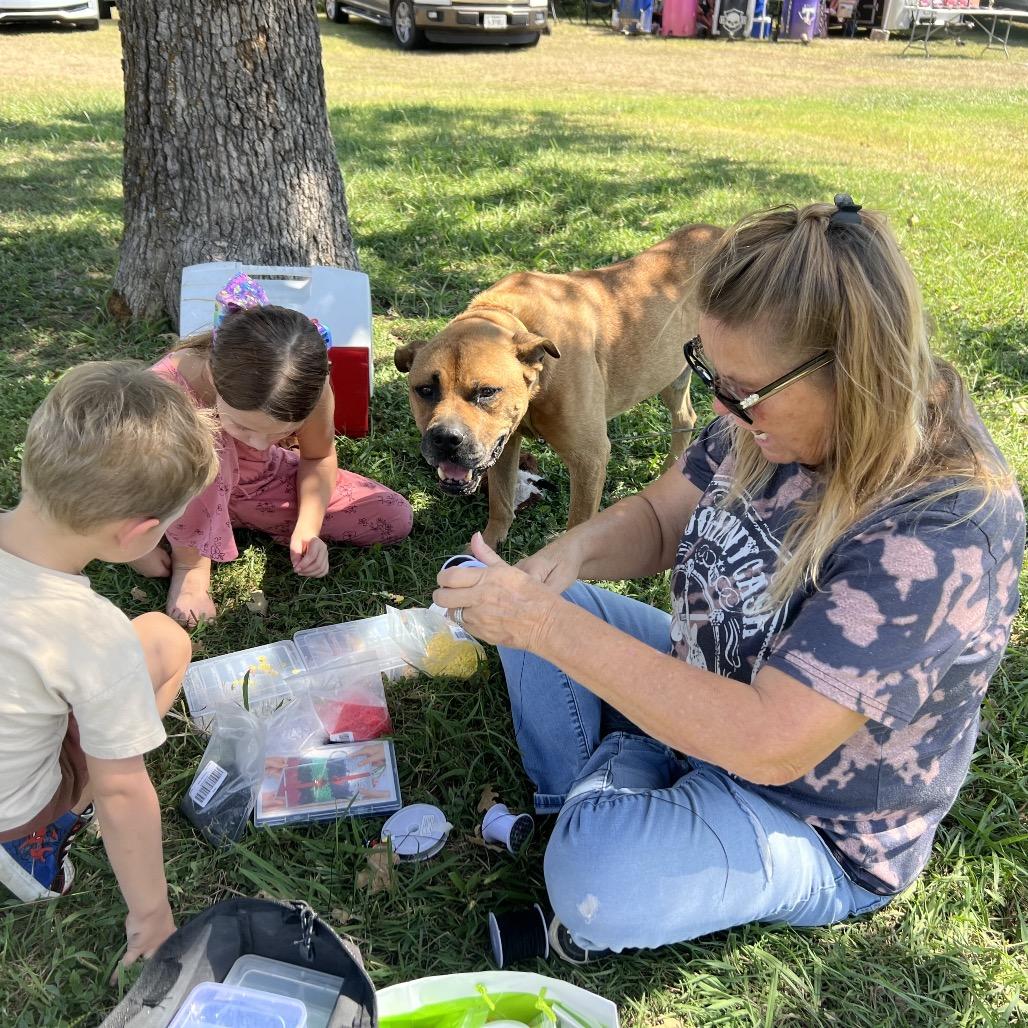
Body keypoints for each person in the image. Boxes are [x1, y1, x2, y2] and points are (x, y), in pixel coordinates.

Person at [433, 197, 1025, 963]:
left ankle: (605, 790)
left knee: (599, 881)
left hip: (809, 812)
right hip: (711, 684)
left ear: (854, 367)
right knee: (527, 592)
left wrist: (548, 627)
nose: (720, 406)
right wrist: (567, 558)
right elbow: (657, 518)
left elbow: (770, 745)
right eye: (708, 373)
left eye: (740, 390)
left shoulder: (941, 526)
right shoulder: (763, 411)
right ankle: (610, 793)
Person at [0, 362, 219, 970]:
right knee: (164, 641)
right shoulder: (92, 632)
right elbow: (125, 790)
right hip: (13, 809)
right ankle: (37, 843)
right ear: (139, 534)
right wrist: (152, 918)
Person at [134, 273, 414, 625]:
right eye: (244, 427)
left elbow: (317, 456)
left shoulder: (303, 382)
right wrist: (138, 549)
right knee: (206, 445)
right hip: (177, 493)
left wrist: (307, 527)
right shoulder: (163, 388)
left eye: (280, 433)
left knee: (392, 516)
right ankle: (192, 562)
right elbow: (119, 475)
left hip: (258, 482)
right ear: (215, 377)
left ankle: (225, 520)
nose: (259, 442)